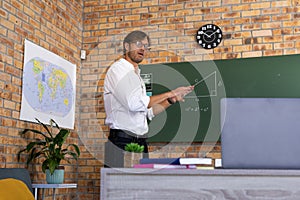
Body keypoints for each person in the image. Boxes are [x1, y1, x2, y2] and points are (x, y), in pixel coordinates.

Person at [103, 30, 194, 161]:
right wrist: (171, 92)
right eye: (139, 44)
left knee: (142, 182)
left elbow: (147, 113)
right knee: (120, 182)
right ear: (126, 46)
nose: (142, 49)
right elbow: (134, 104)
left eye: (146, 46)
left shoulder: (137, 74)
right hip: (122, 140)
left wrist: (170, 100)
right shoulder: (118, 70)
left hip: (141, 140)